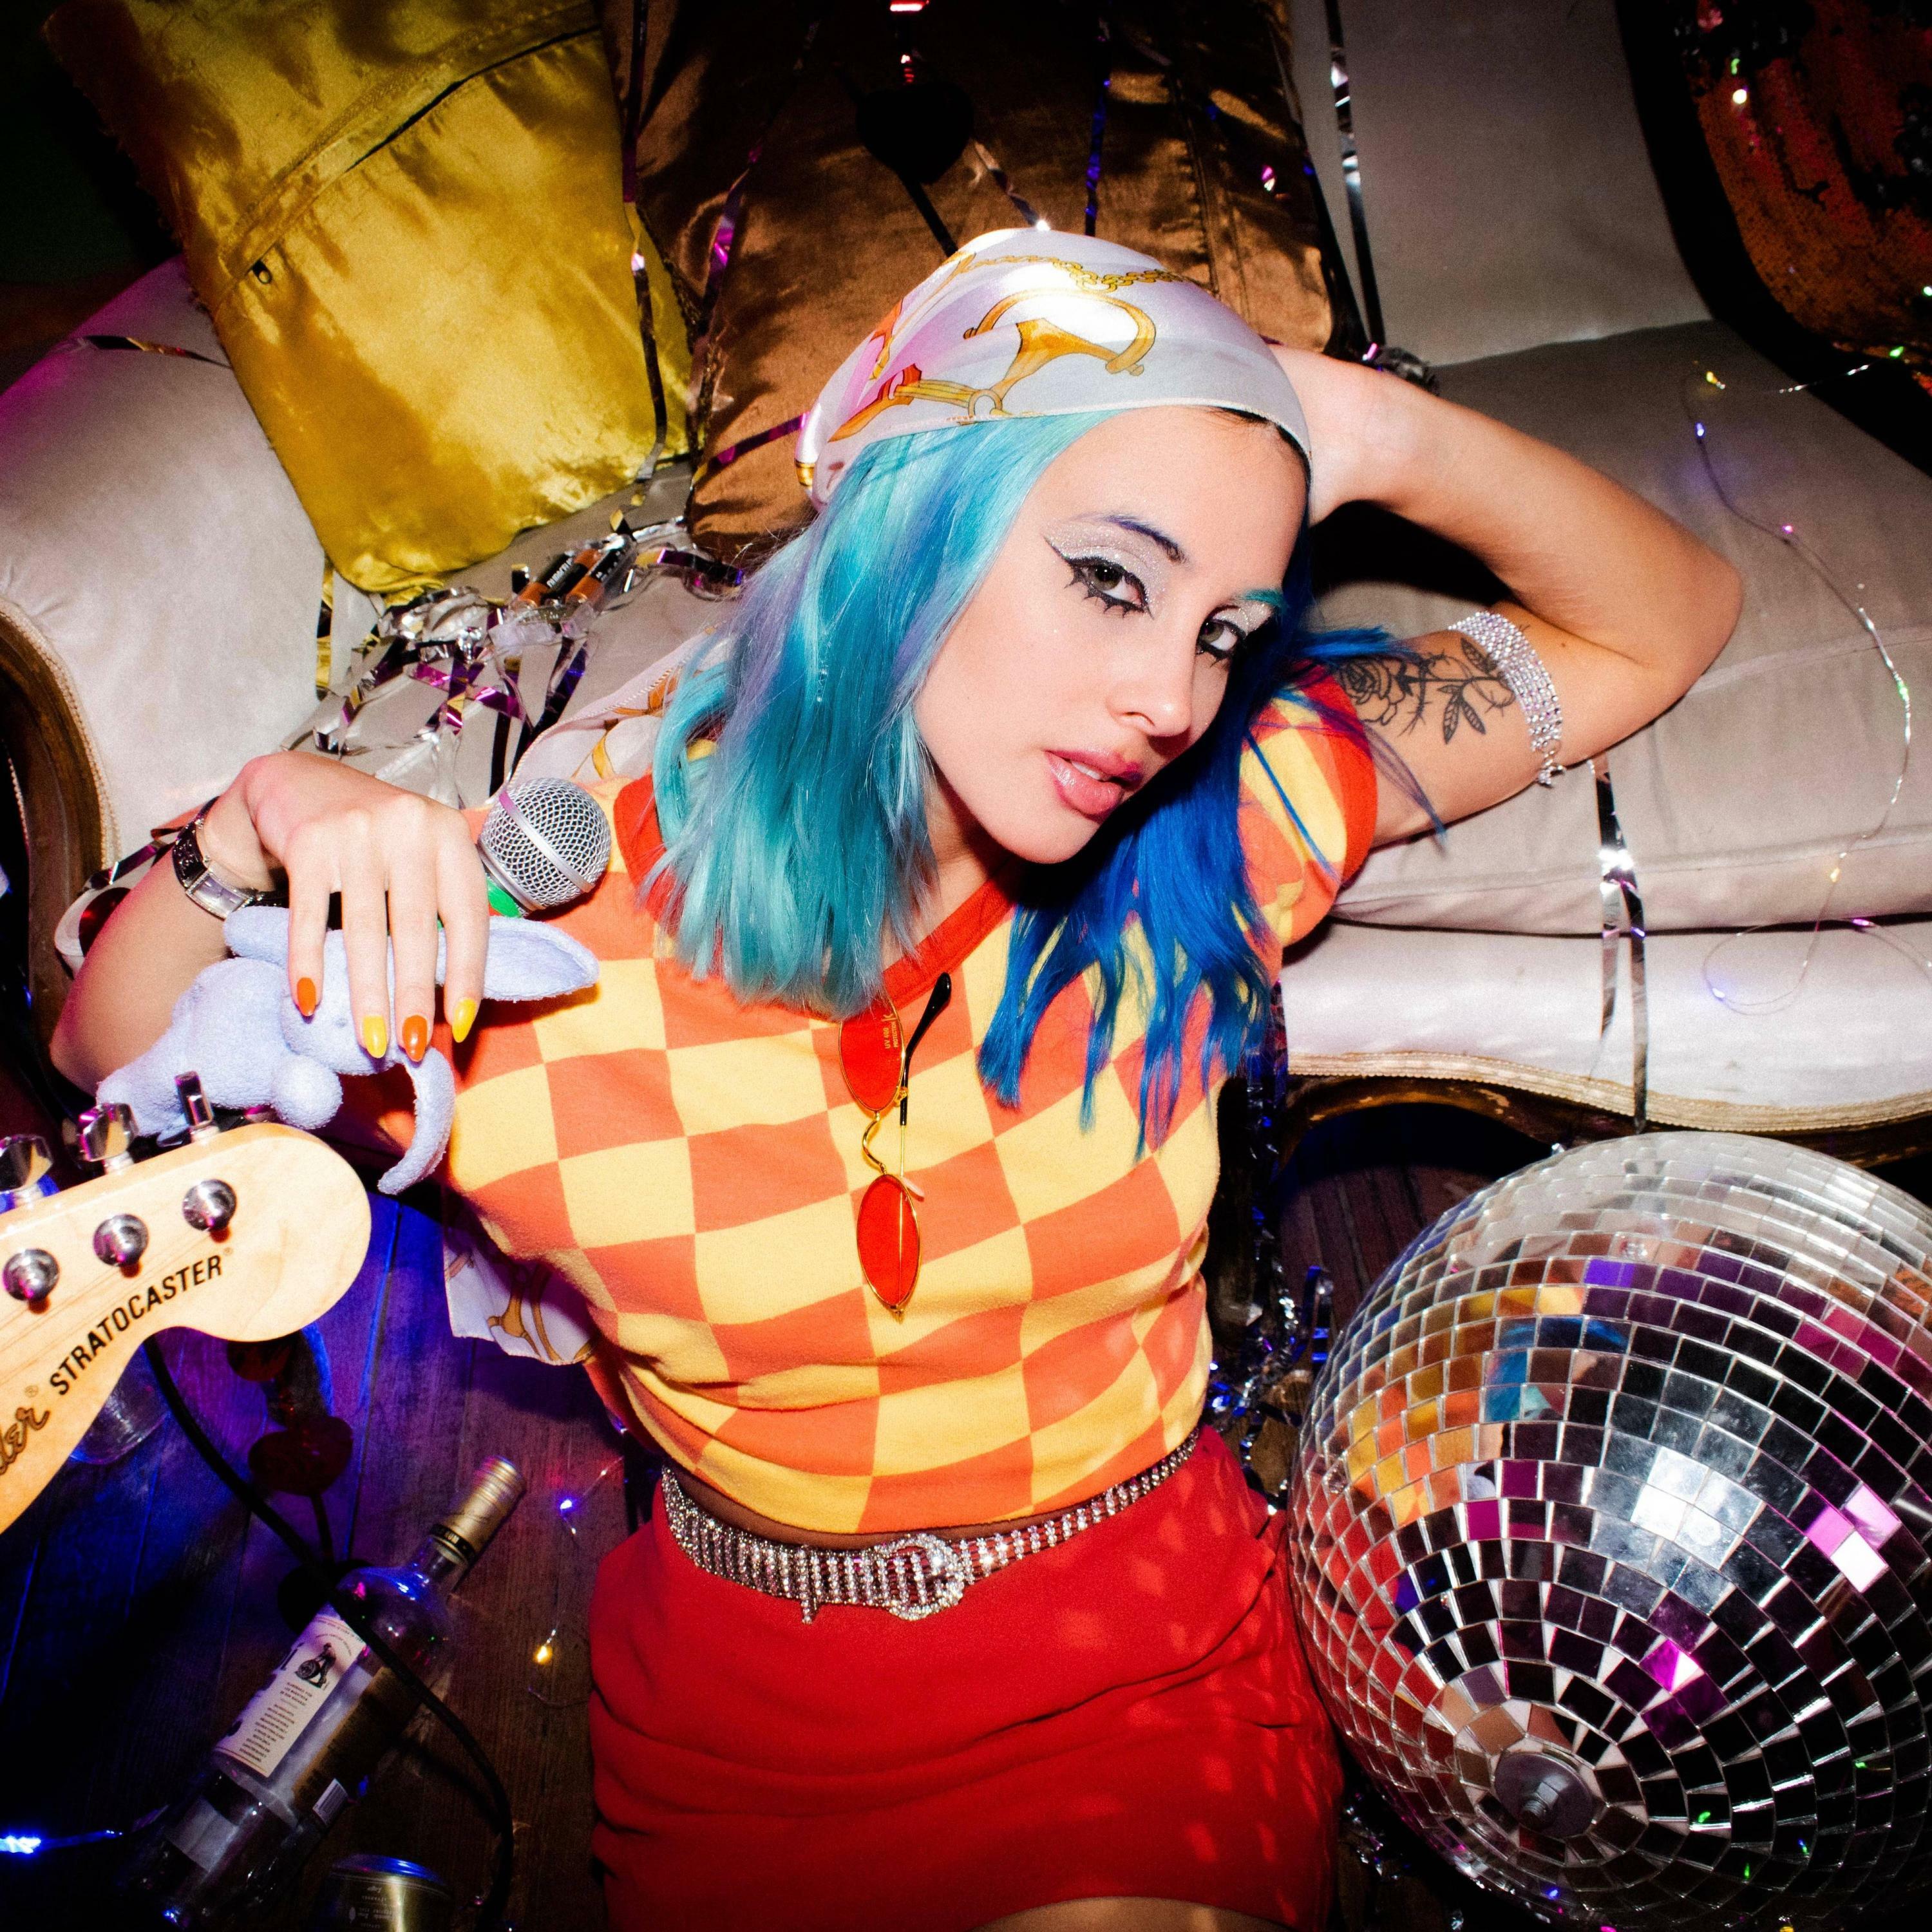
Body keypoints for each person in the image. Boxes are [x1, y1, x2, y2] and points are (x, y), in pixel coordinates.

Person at [52, 230, 1741, 1931]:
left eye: (1223, 628)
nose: (1168, 697)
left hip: (1141, 1670)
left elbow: (1661, 621)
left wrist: (1365, 434)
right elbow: (107, 1063)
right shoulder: (538, 949)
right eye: (1112, 580)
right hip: (745, 1716)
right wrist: (258, 820)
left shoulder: (1217, 829)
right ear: (906, 524)